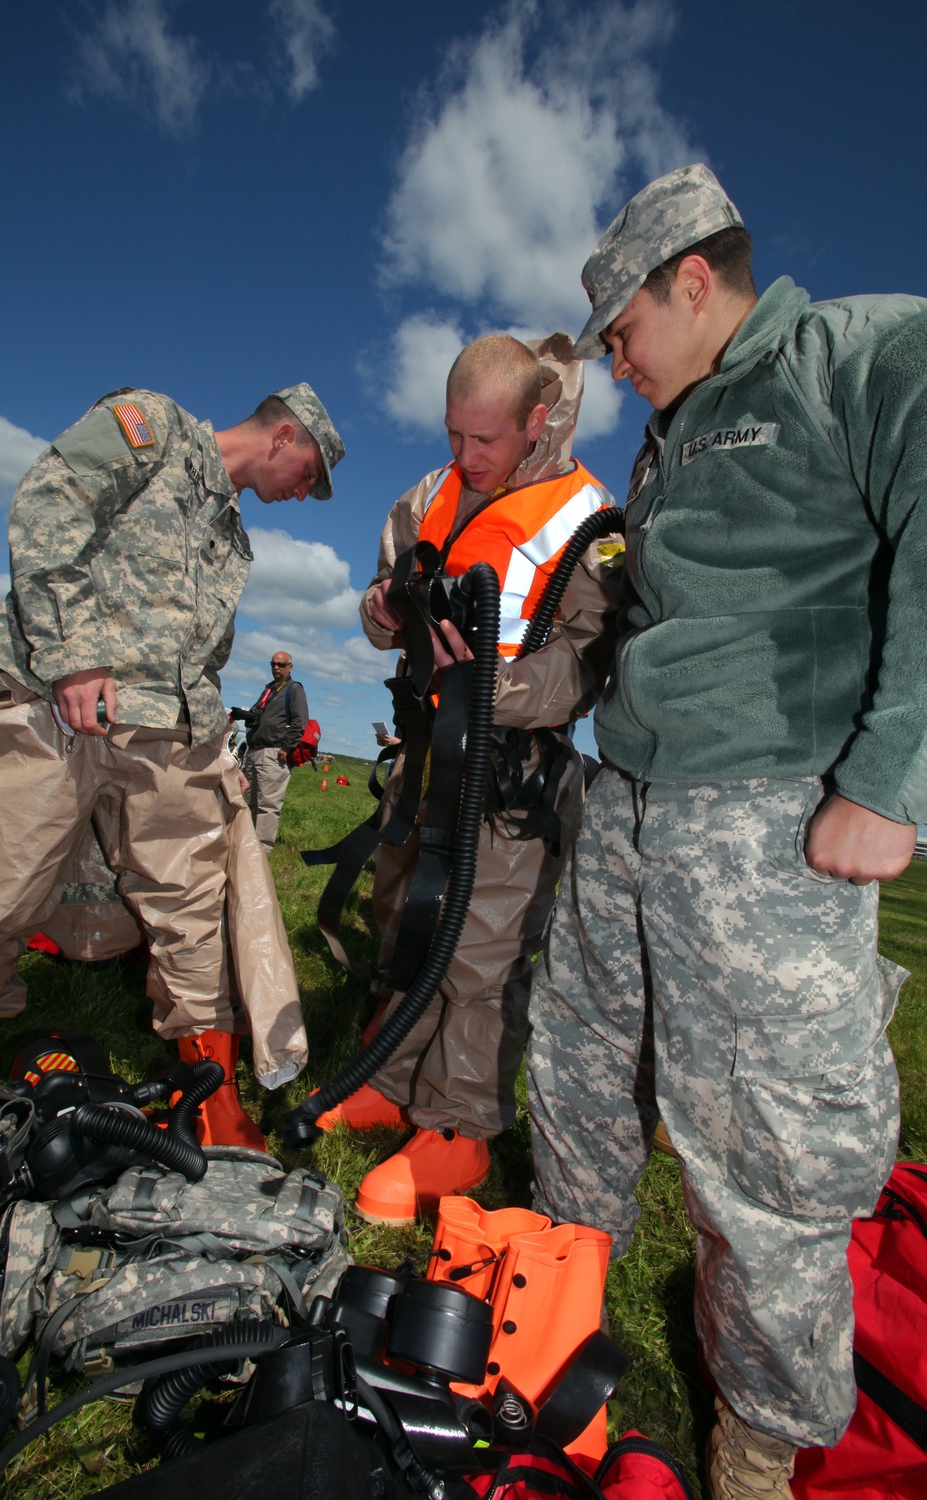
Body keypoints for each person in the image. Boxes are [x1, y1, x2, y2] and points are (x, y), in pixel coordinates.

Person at [526, 162, 925, 1497]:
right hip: (625, 809)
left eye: (621, 335)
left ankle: (759, 1444)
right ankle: (554, 1329)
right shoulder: (666, 437)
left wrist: (892, 780)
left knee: (767, 1154)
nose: (617, 365)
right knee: (575, 1065)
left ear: (691, 280)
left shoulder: (855, 351)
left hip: (765, 825)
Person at [0, 383, 344, 1147]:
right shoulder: (151, 427)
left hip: (166, 736)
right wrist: (74, 658)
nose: (302, 496)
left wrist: (217, 743)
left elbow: (200, 657)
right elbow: (52, 500)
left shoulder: (233, 539)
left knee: (191, 911)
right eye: (308, 476)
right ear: (285, 436)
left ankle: (213, 1103)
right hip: (58, 698)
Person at [321, 332, 621, 1224]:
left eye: (482, 440)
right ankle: (398, 1085)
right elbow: (385, 596)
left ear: (537, 422)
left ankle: (460, 1129)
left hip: (512, 774)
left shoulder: (591, 520)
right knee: (407, 924)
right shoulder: (430, 494)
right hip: (423, 759)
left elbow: (590, 662)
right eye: (453, 434)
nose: (464, 456)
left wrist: (502, 687)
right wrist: (381, 607)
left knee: (478, 951)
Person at [240, 652, 309, 852]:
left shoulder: (294, 689)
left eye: (281, 664)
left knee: (268, 803)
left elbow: (300, 722)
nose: (276, 668)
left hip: (273, 752)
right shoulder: (270, 689)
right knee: (252, 799)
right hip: (255, 750)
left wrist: (286, 747)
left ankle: (262, 849)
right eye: (273, 664)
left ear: (290, 667)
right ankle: (249, 843)